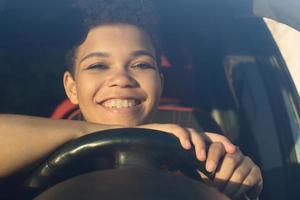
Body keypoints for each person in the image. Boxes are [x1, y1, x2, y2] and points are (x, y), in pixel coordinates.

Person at [0, 0, 263, 199]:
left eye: (140, 64)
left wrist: (232, 178)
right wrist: (102, 133)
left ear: (161, 82)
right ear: (72, 88)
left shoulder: (196, 159)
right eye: (98, 66)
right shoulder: (28, 154)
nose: (122, 78)